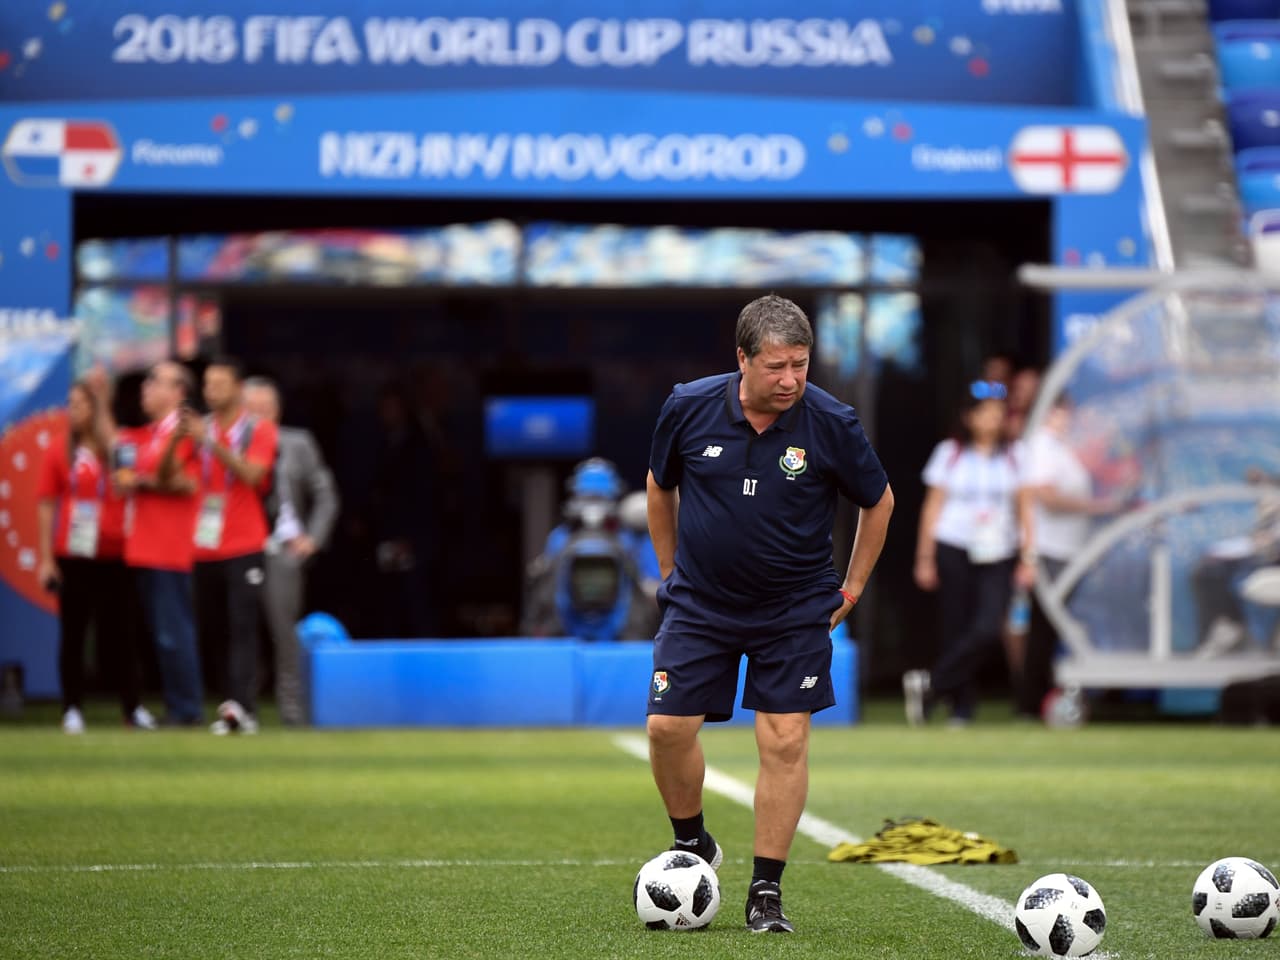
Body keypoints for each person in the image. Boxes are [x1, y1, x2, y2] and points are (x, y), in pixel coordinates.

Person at [645, 294, 893, 934]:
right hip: (700, 603)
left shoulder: (832, 421)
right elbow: (659, 485)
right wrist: (670, 573)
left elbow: (880, 500)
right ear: (742, 358)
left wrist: (852, 589)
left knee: (784, 739)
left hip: (794, 609)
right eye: (776, 366)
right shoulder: (688, 405)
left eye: (800, 366)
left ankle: (765, 891)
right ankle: (692, 841)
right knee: (666, 729)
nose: (790, 380)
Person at [910, 380, 1036, 726]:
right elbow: (932, 507)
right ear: (969, 417)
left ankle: (933, 685)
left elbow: (1025, 509)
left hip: (999, 550)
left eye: (998, 413)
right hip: (955, 544)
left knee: (988, 626)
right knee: (956, 625)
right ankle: (960, 706)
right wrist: (925, 557)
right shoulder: (949, 453)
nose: (992, 420)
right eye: (985, 413)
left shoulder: (1016, 455)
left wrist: (1028, 556)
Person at [36, 375, 156, 733]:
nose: (73, 411)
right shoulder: (60, 449)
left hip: (115, 552)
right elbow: (46, 503)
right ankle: (72, 708)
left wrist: (103, 409)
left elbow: (125, 478)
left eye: (81, 404)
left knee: (122, 635)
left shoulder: (119, 447)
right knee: (73, 633)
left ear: (98, 408)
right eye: (70, 404)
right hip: (74, 553)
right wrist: (46, 558)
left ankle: (132, 707)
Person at [186, 357, 278, 735]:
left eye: (220, 385)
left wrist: (209, 442)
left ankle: (244, 707)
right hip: (204, 543)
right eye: (208, 384)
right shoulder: (195, 430)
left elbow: (253, 474)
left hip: (245, 542)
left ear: (238, 389)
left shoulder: (258, 429)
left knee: (243, 626)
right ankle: (229, 704)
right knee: (214, 629)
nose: (212, 392)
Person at [243, 376, 339, 726]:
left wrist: (312, 538)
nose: (259, 416)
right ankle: (241, 706)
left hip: (283, 549)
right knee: (239, 630)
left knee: (284, 632)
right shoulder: (229, 445)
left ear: (278, 411)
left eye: (265, 409)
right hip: (240, 547)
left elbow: (326, 495)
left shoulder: (298, 443)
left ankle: (293, 711)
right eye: (251, 409)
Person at [115, 360, 204, 727]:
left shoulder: (185, 432)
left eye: (156, 382)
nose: (146, 387)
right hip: (145, 545)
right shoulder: (150, 434)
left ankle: (186, 708)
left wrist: (141, 481)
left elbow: (182, 483)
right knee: (160, 632)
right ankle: (177, 705)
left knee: (173, 631)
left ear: (178, 392)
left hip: (169, 546)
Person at [1021, 395, 1121, 716]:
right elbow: (1046, 496)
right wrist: (1098, 507)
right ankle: (1031, 701)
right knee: (1043, 627)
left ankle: (1039, 698)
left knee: (1051, 628)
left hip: (1068, 549)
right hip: (1049, 549)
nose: (1067, 419)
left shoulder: (1063, 447)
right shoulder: (1042, 445)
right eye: (1061, 412)